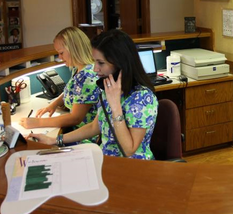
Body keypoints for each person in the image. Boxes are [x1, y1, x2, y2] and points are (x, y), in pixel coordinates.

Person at [31, 29, 158, 160]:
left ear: (120, 63)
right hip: (106, 159)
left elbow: (129, 150)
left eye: (101, 63)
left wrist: (115, 107)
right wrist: (54, 140)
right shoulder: (108, 88)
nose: (95, 68)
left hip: (132, 167)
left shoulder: (142, 97)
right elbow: (94, 127)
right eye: (95, 61)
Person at [19, 27, 99, 136]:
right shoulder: (78, 68)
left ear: (74, 49)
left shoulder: (87, 77)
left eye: (61, 53)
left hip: (86, 136)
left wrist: (38, 122)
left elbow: (75, 118)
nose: (59, 57)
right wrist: (54, 104)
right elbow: (72, 90)